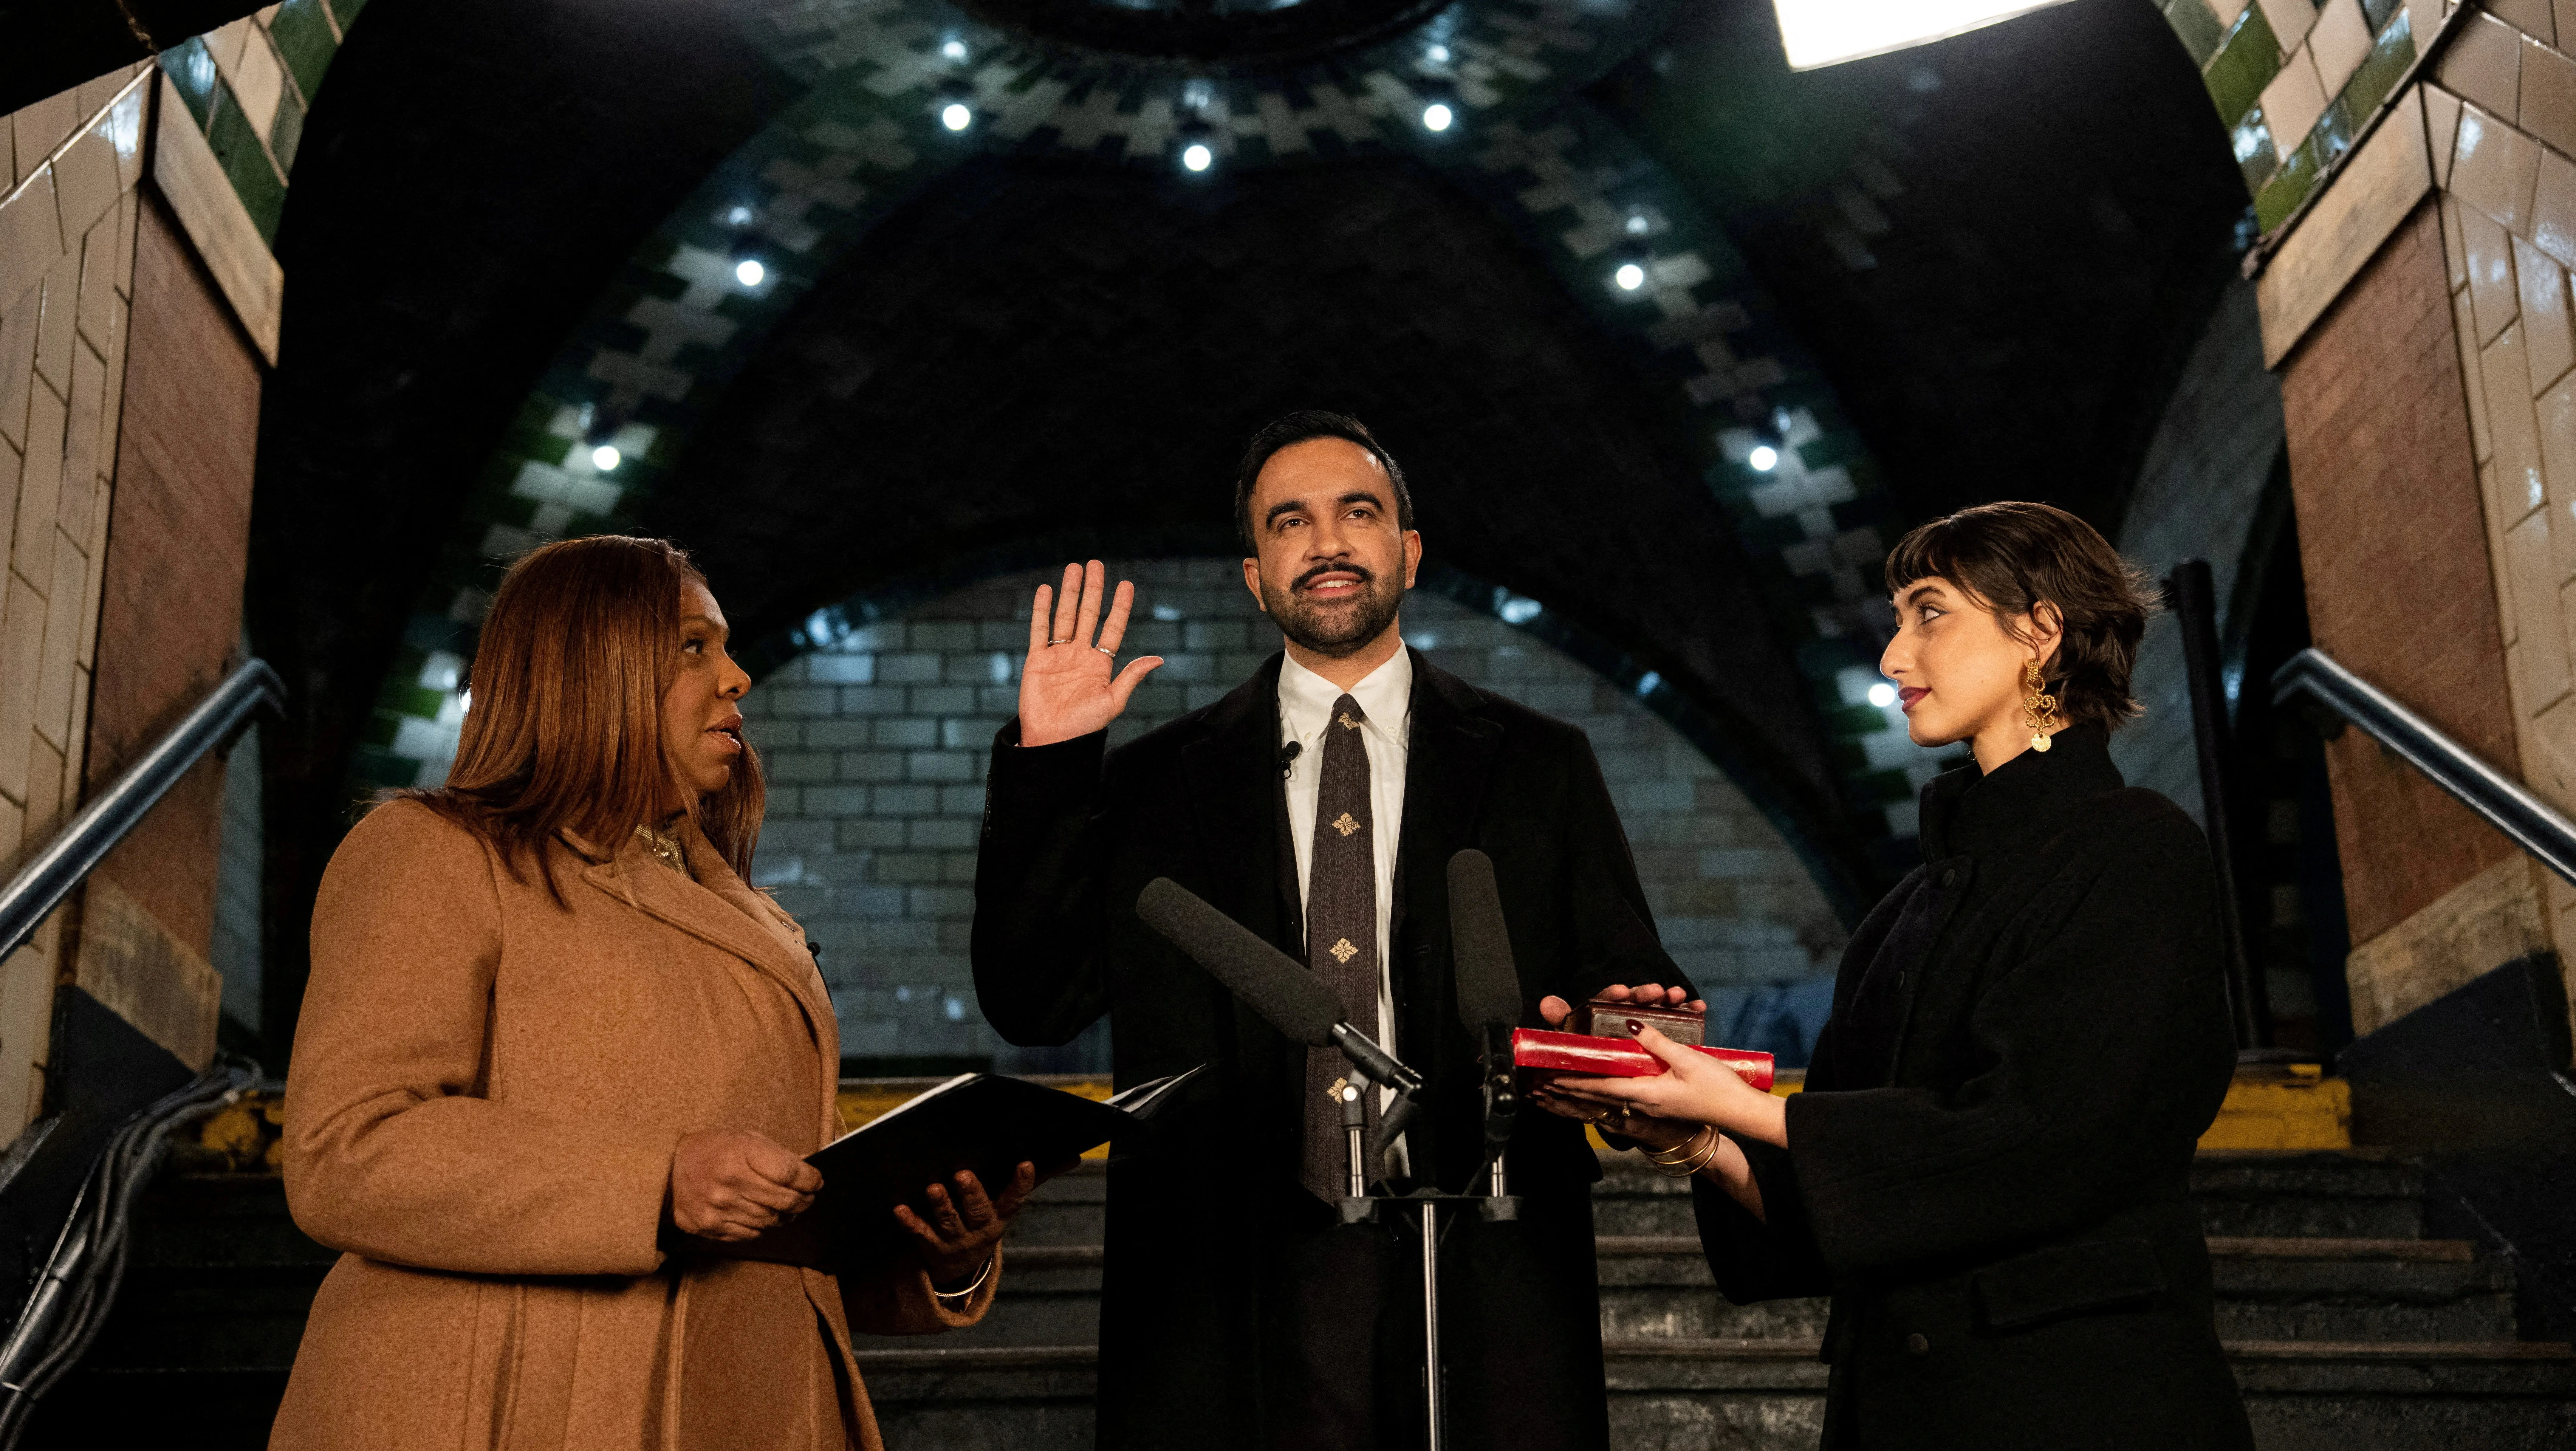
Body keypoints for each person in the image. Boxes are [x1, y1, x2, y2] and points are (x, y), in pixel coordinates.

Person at [971, 411, 1696, 1450]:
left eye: (1358, 513)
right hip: (1232, 1270)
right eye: (1289, 522)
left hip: (1482, 1253)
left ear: (1406, 551)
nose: (1326, 541)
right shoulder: (1155, 784)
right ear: (1256, 578)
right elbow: (1031, 999)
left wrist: (1627, 1019)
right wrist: (1050, 762)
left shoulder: (1540, 763)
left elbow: (1622, 977)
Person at [272, 535, 1037, 1451]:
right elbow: (347, 1149)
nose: (739, 677)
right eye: (693, 647)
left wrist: (938, 1254)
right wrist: (655, 1182)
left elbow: (789, 1215)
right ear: (591, 665)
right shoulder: (434, 853)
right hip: (515, 1404)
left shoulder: (756, 923)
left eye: (726, 647)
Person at [1532, 501, 2254, 1450]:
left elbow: (2043, 1138)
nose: (1892, 659)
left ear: (2040, 631)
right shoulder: (1898, 919)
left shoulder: (2138, 851)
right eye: (1898, 621)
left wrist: (1745, 1106)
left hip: (2082, 1404)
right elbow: (1840, 1206)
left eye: (1930, 613)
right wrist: (1694, 1133)